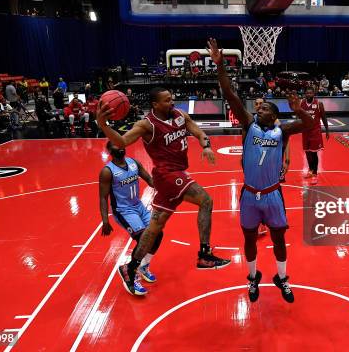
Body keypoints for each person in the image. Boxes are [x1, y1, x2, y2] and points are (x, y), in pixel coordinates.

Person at [207, 38, 313, 303]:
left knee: (278, 239)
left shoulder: (283, 131)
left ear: (274, 116)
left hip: (272, 194)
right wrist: (220, 66)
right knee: (250, 240)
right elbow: (230, 94)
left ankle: (282, 279)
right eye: (259, 108)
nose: (259, 110)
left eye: (265, 108)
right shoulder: (248, 126)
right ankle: (253, 278)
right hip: (249, 195)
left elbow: (309, 125)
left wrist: (299, 110)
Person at [97, 87, 230, 296]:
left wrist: (206, 145)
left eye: (172, 98)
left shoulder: (180, 116)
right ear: (155, 104)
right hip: (167, 175)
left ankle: (130, 268)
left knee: (154, 229)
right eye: (167, 100)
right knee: (206, 201)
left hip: (174, 176)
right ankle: (204, 254)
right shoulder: (146, 125)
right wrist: (103, 124)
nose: (172, 102)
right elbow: (122, 142)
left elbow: (197, 131)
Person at [99, 141, 160, 296]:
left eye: (120, 143)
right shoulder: (108, 171)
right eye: (114, 146)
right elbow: (103, 197)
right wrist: (105, 220)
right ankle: (130, 273)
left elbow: (149, 180)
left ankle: (143, 265)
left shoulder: (133, 163)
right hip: (124, 210)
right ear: (110, 151)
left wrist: (163, 188)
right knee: (142, 238)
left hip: (138, 206)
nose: (119, 147)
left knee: (157, 233)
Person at [300, 86, 329, 184]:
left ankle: (315, 174)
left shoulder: (319, 104)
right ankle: (310, 170)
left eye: (310, 93)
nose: (309, 95)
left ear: (313, 94)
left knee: (314, 153)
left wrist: (327, 130)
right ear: (305, 94)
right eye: (307, 93)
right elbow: (299, 117)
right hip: (305, 131)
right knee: (307, 152)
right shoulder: (302, 103)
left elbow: (324, 117)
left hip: (315, 132)